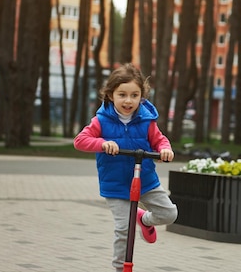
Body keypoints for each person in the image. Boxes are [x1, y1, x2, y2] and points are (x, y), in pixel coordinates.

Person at [73, 63, 178, 272]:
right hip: (117, 185)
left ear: (141, 96)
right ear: (111, 95)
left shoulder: (147, 120)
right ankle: (120, 269)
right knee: (124, 229)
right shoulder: (101, 121)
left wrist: (165, 150)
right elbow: (80, 141)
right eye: (122, 94)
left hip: (146, 180)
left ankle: (143, 218)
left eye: (134, 95)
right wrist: (102, 144)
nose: (128, 101)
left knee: (169, 214)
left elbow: (159, 140)